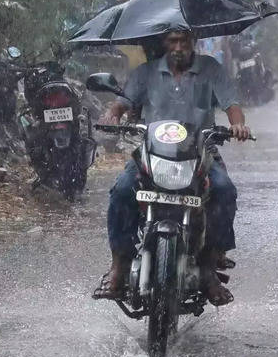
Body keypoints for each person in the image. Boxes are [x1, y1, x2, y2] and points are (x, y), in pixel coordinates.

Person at [93, 28, 252, 306]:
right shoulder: (146, 73)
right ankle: (118, 266)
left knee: (225, 191)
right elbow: (122, 103)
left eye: (184, 41)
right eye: (173, 41)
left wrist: (238, 123)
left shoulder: (210, 69)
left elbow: (232, 104)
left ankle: (208, 266)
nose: (179, 47)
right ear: (164, 44)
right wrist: (112, 114)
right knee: (121, 192)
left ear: (194, 43)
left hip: (201, 149)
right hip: (152, 150)